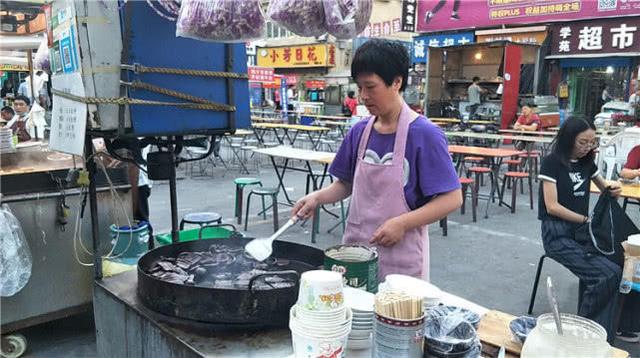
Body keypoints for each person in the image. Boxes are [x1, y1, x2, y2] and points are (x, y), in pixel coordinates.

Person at [292, 39, 463, 281]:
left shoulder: (425, 134)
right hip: (354, 254)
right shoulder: (359, 131)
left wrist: (403, 223)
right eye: (360, 87)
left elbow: (452, 198)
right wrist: (316, 198)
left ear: (396, 82)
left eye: (371, 87)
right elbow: (346, 184)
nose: (363, 96)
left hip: (401, 260)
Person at [538, 116, 623, 342]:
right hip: (557, 235)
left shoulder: (587, 162)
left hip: (581, 234)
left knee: (617, 264)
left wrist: (614, 189)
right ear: (568, 139)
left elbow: (605, 186)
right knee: (607, 274)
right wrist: (585, 219)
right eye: (582, 142)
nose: (587, 147)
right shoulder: (552, 162)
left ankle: (600, 329)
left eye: (591, 142)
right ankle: (583, 330)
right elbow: (552, 207)